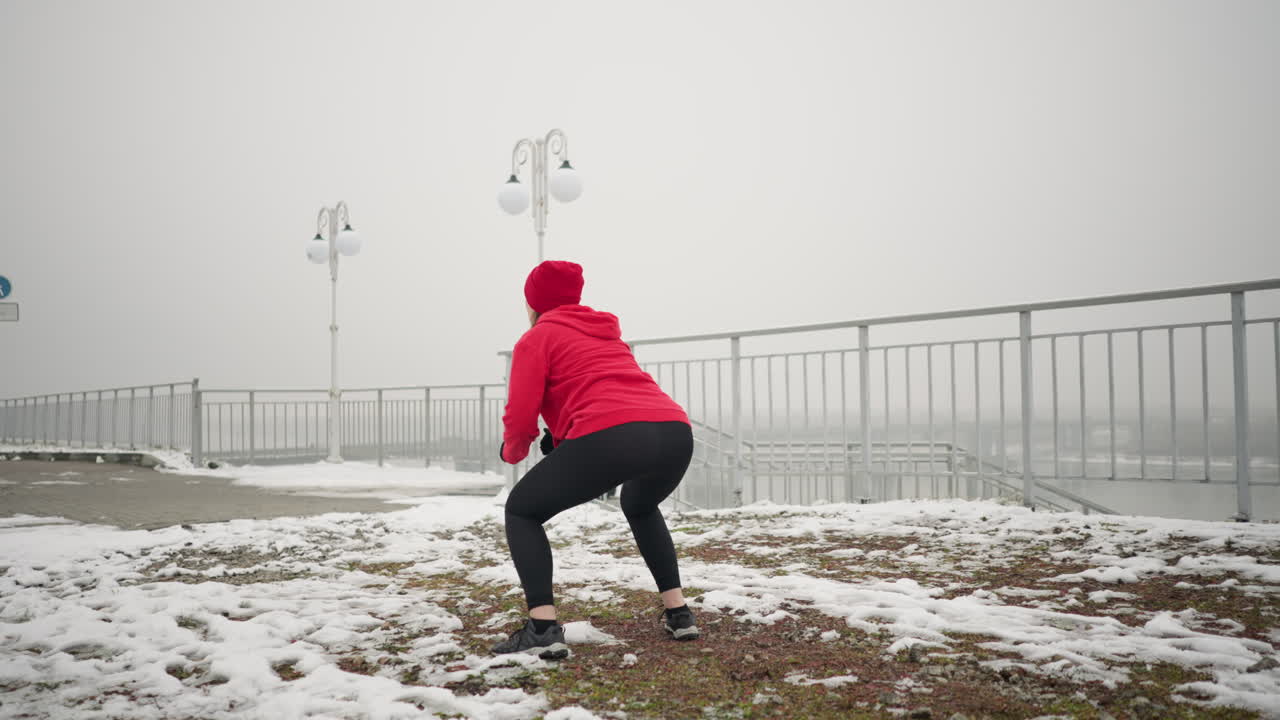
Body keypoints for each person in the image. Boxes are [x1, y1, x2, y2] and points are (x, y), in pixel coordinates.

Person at [493, 260, 699, 659]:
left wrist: (513, 450)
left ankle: (542, 629)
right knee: (639, 505)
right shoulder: (605, 335)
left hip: (615, 435)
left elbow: (521, 417)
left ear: (533, 302)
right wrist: (564, 437)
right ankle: (679, 613)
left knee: (522, 510)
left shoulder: (536, 338)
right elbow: (598, 391)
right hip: (674, 431)